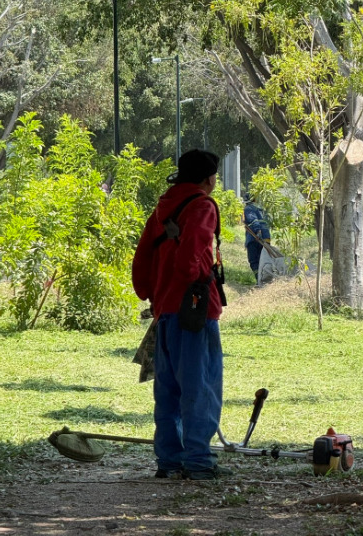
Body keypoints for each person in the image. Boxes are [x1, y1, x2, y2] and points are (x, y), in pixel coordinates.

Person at [132, 148, 230, 480]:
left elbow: (142, 257)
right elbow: (193, 254)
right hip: (195, 310)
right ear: (207, 178)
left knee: (168, 389)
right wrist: (192, 281)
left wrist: (153, 293)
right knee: (200, 386)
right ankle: (199, 462)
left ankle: (170, 462)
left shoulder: (163, 208)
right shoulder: (202, 205)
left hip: (165, 311)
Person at [243, 194, 271, 281]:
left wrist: (258, 231)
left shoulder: (248, 208)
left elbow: (253, 220)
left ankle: (259, 280)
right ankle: (265, 280)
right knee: (263, 260)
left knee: (254, 261)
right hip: (266, 238)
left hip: (254, 238)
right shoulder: (262, 209)